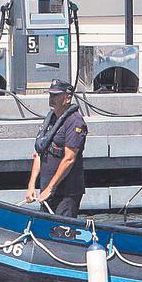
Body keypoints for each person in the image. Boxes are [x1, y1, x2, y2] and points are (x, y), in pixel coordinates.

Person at [25, 79, 88, 217]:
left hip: (66, 193)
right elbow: (39, 152)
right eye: (50, 95)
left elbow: (69, 159)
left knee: (62, 230)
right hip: (47, 190)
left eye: (55, 96)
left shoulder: (74, 122)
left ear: (67, 98)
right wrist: (31, 185)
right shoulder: (51, 119)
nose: (51, 99)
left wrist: (50, 188)